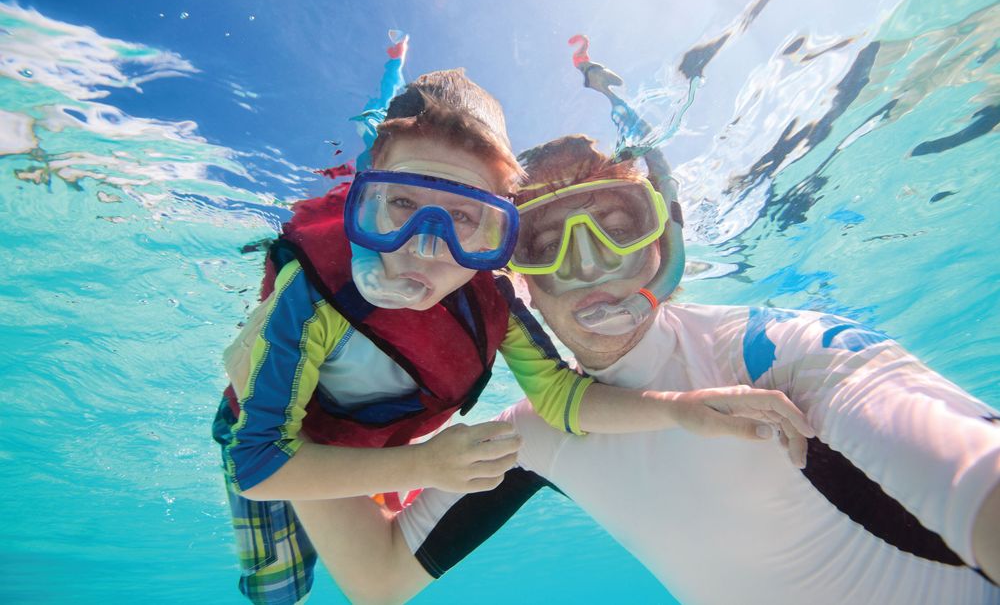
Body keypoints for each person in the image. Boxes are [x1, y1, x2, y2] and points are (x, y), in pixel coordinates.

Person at [213, 43, 815, 605]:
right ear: (365, 201)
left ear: (498, 230)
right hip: (279, 432)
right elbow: (259, 465)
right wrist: (422, 466)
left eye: (463, 218)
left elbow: (559, 397)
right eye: (401, 204)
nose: (425, 246)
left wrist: (678, 409)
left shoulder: (493, 302)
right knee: (279, 588)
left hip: (382, 441)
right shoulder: (311, 296)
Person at [396, 95, 1000, 602]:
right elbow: (380, 577)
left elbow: (974, 470)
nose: (589, 266)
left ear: (665, 243)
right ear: (516, 279)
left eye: (618, 229)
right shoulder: (537, 430)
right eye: (546, 244)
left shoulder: (773, 353)